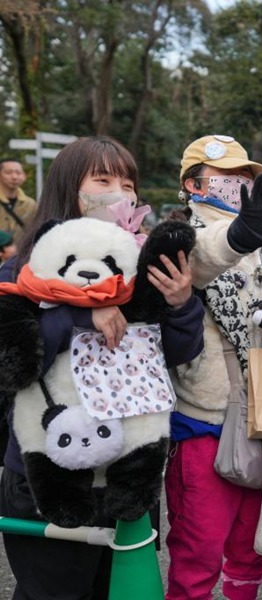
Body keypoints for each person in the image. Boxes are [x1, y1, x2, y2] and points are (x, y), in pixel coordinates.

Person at [0, 136, 203, 599]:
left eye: (128, 183)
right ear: (71, 188)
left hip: (127, 475)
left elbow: (177, 354)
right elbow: (10, 359)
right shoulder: (21, 272)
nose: (120, 193)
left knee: (118, 591)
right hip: (46, 476)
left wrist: (181, 303)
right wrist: (76, 313)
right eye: (103, 180)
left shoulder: (138, 266)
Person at [165, 134, 262, 600]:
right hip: (205, 415)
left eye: (243, 176)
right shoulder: (178, 234)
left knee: (252, 543)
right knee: (199, 545)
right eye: (226, 177)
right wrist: (243, 232)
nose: (238, 184)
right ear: (193, 183)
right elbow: (203, 259)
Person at [0, 158, 37, 243]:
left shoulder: (31, 205)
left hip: (20, 255)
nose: (14, 177)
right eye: (8, 172)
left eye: (18, 173)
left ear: (24, 176)